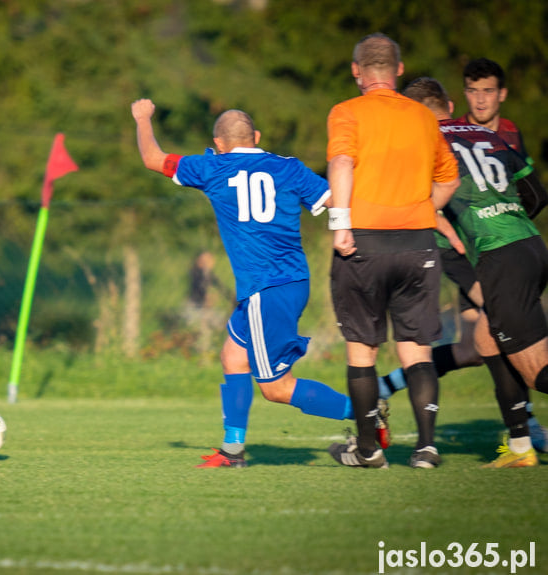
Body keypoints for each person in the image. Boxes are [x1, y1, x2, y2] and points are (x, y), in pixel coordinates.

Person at [131, 98, 354, 468]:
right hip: (285, 284)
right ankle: (232, 451)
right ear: (257, 137)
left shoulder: (211, 167)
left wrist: (142, 118)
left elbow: (152, 158)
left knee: (276, 388)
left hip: (267, 291)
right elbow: (336, 199)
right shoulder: (289, 167)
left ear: (219, 143)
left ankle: (365, 413)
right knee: (233, 357)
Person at [375, 58, 548, 452]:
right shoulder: (491, 135)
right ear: (451, 106)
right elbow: (537, 195)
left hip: (498, 259)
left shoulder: (425, 146)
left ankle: (526, 438)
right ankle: (521, 448)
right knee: (486, 342)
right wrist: (504, 216)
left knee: (538, 373)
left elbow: (426, 221)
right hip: (532, 247)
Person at [325, 33, 460, 469]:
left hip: (364, 240)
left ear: (356, 71)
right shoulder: (423, 116)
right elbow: (449, 179)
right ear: (399, 70)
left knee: (362, 350)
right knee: (416, 350)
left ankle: (368, 450)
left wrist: (339, 223)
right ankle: (426, 448)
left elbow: (342, 163)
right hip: (417, 242)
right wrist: (422, 209)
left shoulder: (346, 112)